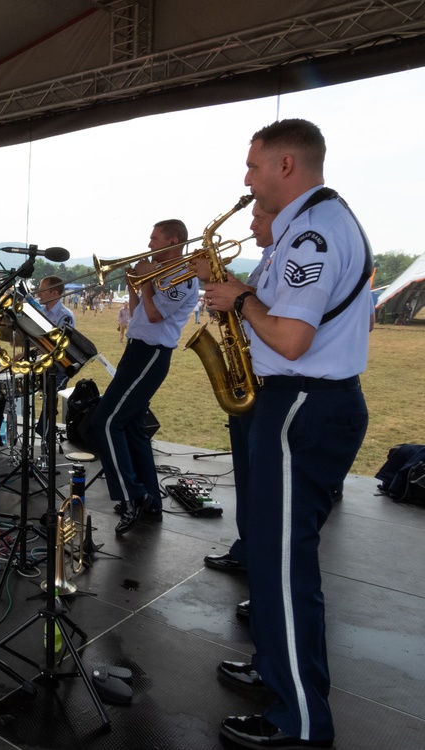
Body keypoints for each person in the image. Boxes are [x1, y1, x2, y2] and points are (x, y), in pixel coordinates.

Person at [205, 119, 371, 750]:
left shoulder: (313, 233)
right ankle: (277, 668)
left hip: (300, 405)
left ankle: (299, 721)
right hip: (309, 403)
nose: (245, 180)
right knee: (276, 562)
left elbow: (293, 339)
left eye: (252, 166)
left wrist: (241, 298)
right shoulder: (318, 224)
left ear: (285, 166)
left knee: (281, 570)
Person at [90, 219, 197, 535]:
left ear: (173, 240)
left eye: (155, 239)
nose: (149, 245)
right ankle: (150, 501)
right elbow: (140, 312)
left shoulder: (182, 275)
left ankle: (131, 495)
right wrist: (137, 286)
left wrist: (147, 282)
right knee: (134, 426)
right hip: (137, 349)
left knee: (106, 421)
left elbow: (155, 315)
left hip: (151, 354)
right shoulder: (161, 274)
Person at [199, 201, 276, 581]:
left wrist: (238, 297)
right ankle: (248, 552)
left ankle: (260, 567)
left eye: (259, 218)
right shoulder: (268, 260)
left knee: (262, 487)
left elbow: (263, 309)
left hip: (266, 383)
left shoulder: (286, 257)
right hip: (248, 376)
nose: (252, 223)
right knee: (247, 478)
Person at [32, 275, 75, 439]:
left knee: (50, 399)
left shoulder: (65, 316)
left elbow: (57, 345)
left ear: (54, 293)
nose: (38, 293)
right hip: (43, 364)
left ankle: (45, 437)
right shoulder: (42, 312)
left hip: (60, 367)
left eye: (42, 290)